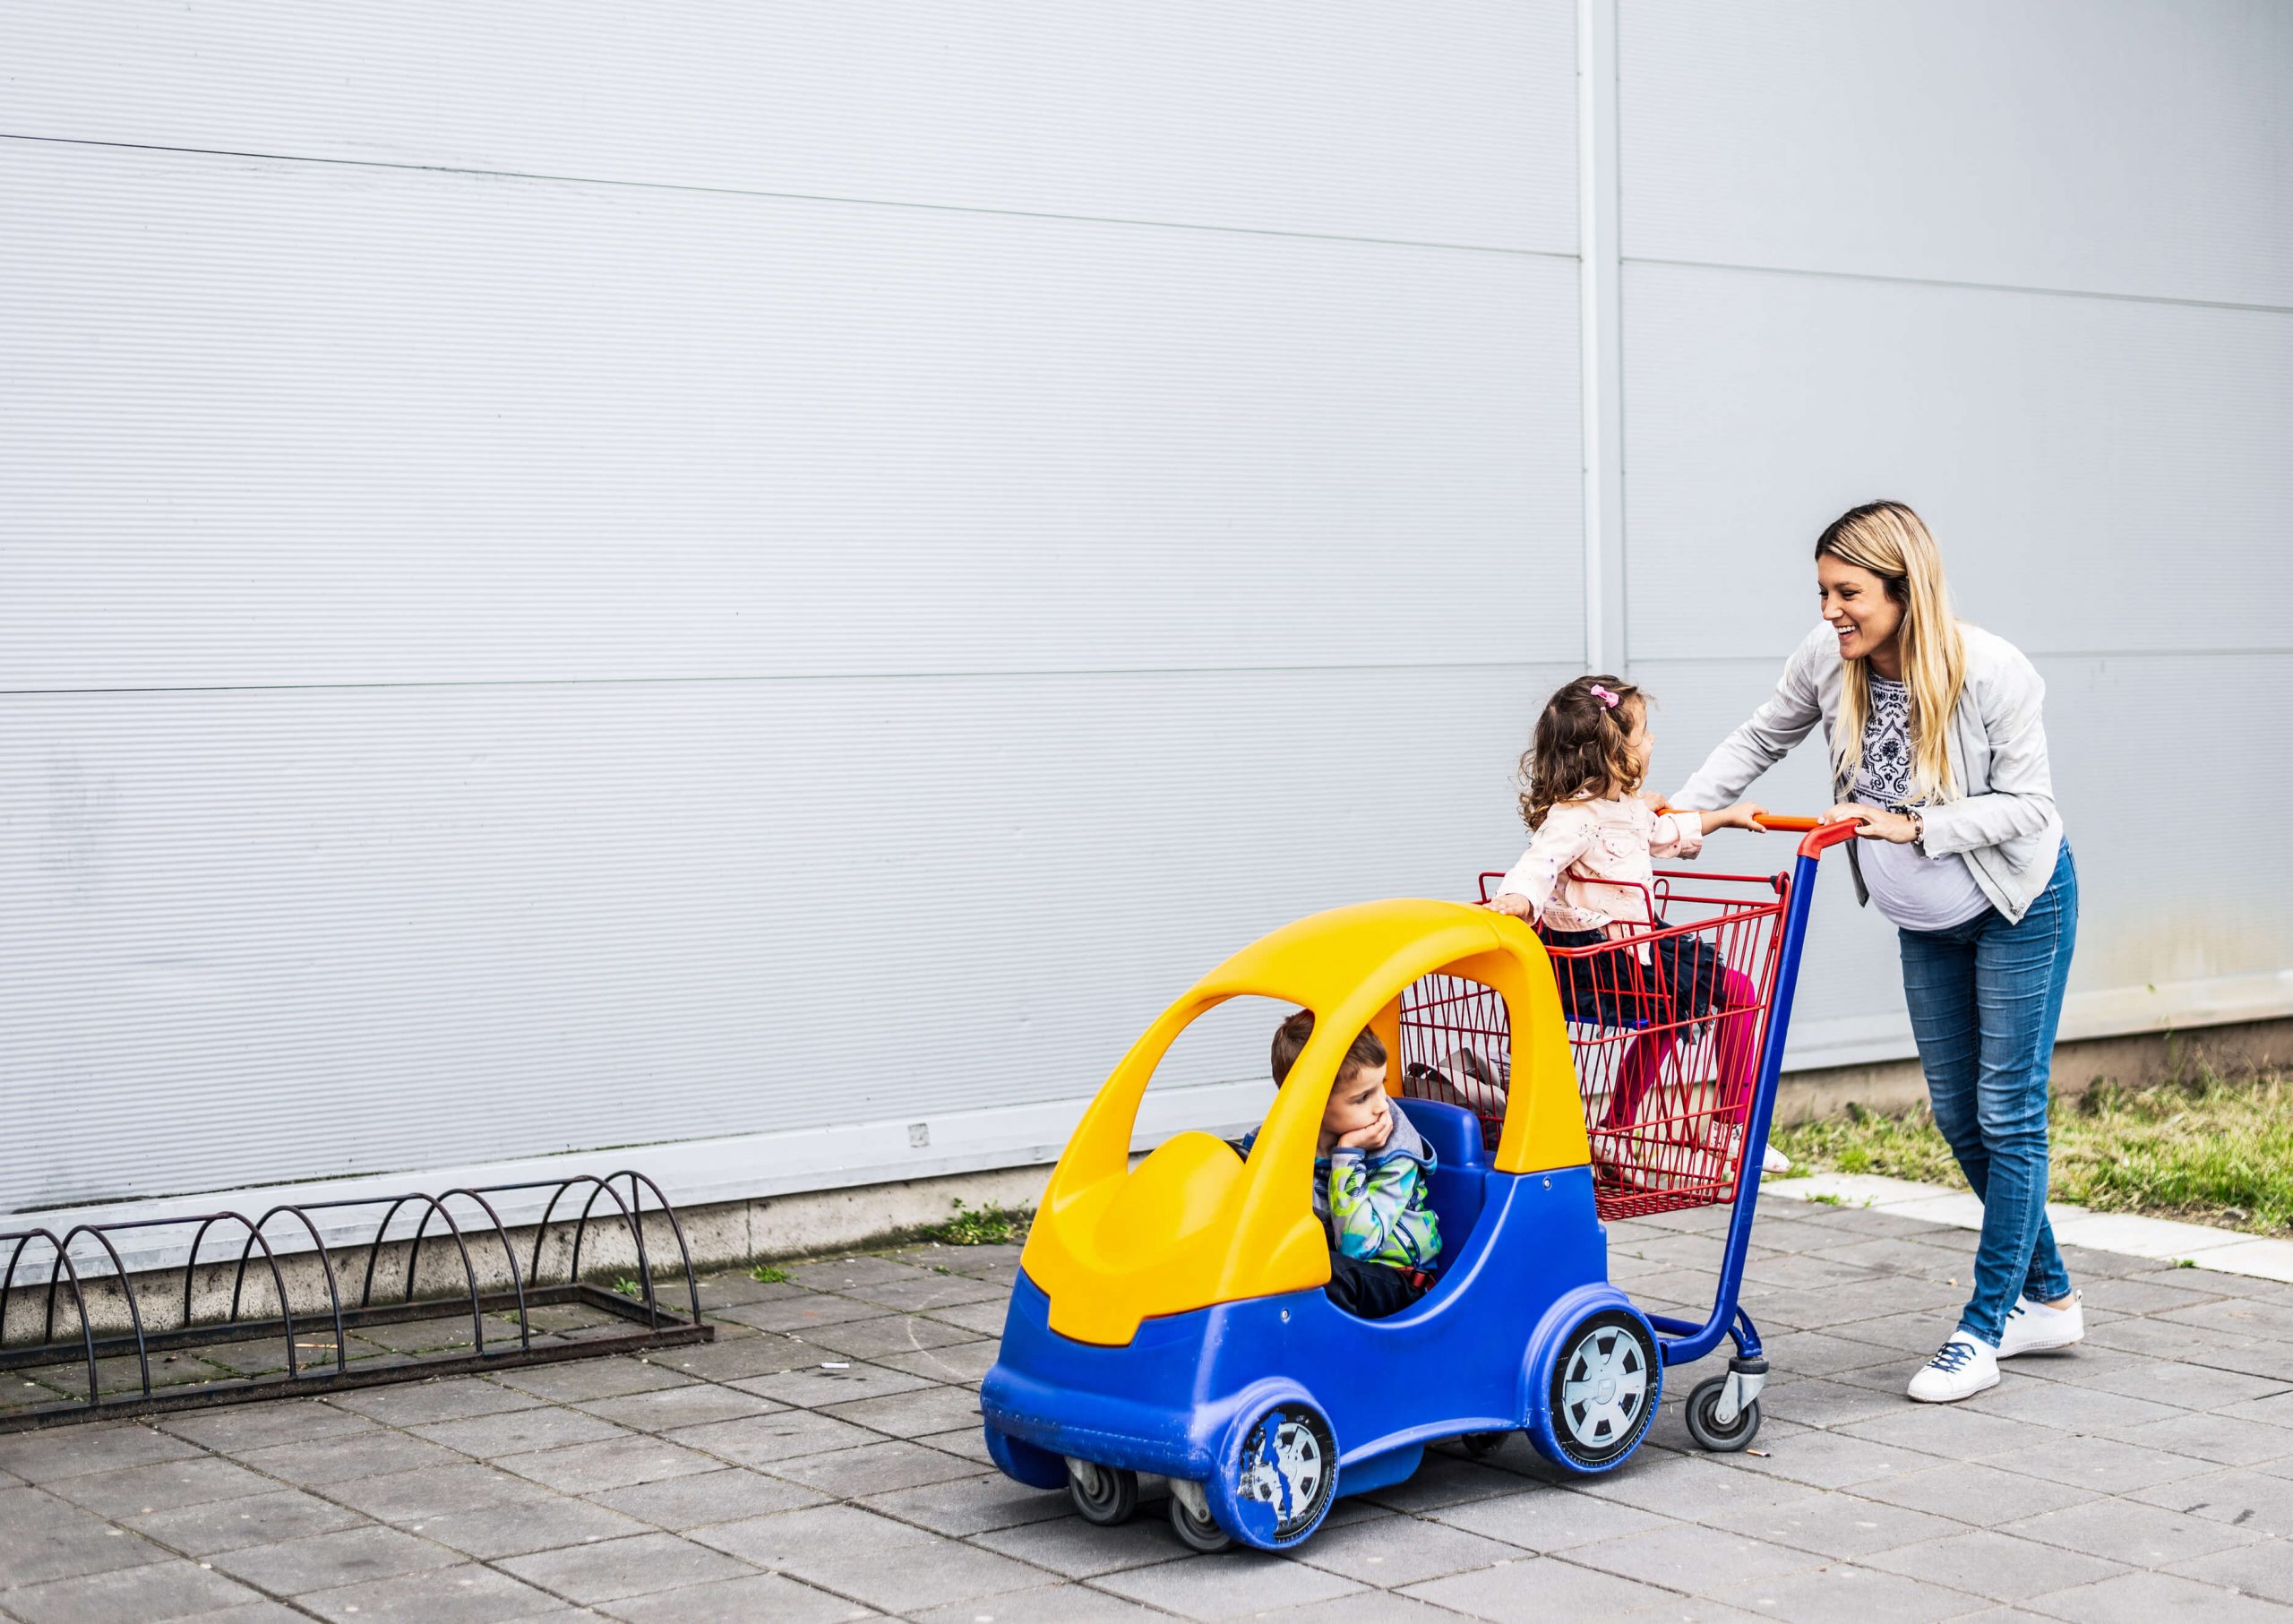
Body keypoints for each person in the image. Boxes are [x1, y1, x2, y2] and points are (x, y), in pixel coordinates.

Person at [1670, 500, 2081, 1404]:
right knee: (1956, 1115)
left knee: (2006, 1111)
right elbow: (1758, 737)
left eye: (1847, 591)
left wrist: (1911, 824)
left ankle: (1982, 1327)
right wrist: (1680, 814)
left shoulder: (1990, 671)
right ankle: (2047, 1295)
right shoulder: (1827, 661)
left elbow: (2031, 806)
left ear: (1903, 588)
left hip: (2017, 902)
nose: (1829, 610)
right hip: (1925, 921)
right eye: (1822, 590)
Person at [1483, 677, 1774, 1184]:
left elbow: (1664, 833)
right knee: (1734, 993)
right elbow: (1541, 862)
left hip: (1635, 943)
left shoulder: (1627, 810)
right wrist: (1519, 898)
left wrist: (1726, 816)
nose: (1653, 741)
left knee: (1674, 1008)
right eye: (1644, 732)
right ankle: (1730, 1125)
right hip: (1601, 956)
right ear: (1616, 751)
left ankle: (1620, 1126)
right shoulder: (1572, 818)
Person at [1238, 1011, 1439, 1319]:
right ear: (1309, 1104)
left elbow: (1358, 1248)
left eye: (1381, 1084)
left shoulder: (1396, 1153)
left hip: (1398, 1280)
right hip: (1327, 1261)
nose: (1382, 1104)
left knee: (1320, 1273)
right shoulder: (1284, 1139)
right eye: (1363, 1097)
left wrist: (1348, 1154)